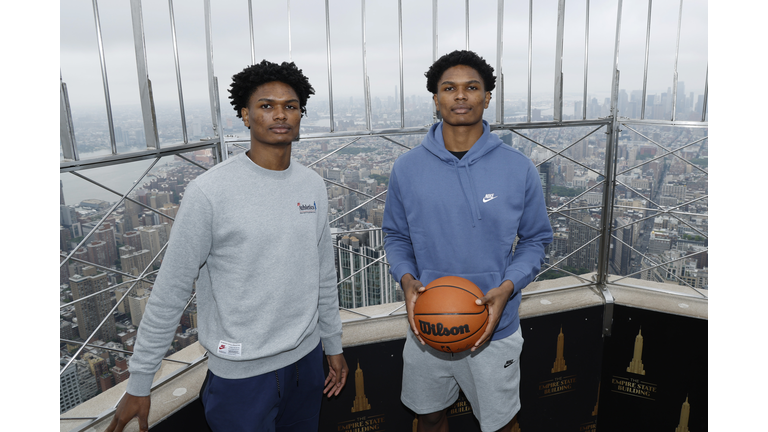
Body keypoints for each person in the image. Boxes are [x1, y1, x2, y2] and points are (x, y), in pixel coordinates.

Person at [107, 60, 348, 432]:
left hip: (306, 362)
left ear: (301, 114)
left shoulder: (312, 186)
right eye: (266, 105)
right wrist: (140, 382)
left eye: (291, 106)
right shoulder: (209, 192)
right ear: (245, 114)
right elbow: (170, 290)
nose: (280, 114)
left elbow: (322, 275)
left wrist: (332, 345)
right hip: (241, 377)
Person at [382, 50, 553, 432]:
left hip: (496, 324)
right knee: (428, 417)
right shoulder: (407, 169)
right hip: (427, 324)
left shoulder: (518, 167)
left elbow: (536, 239)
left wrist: (507, 288)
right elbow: (395, 235)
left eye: (471, 87)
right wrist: (406, 278)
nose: (461, 95)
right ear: (436, 99)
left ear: (487, 97)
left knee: (502, 424)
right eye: (450, 88)